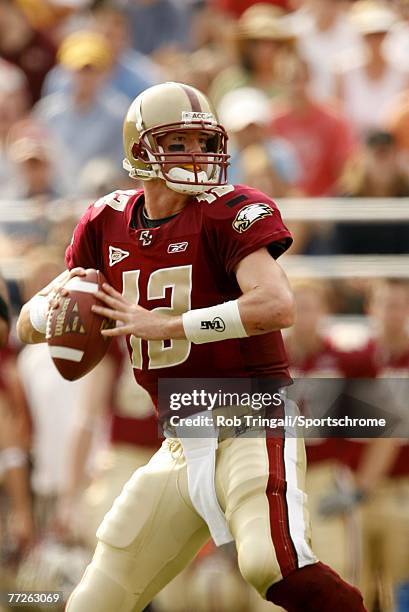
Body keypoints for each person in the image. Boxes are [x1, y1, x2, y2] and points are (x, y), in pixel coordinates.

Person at [17, 82, 366, 612]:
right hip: (179, 440)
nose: (197, 158)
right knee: (95, 600)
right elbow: (27, 322)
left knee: (271, 564)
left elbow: (277, 304)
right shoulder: (104, 221)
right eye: (177, 143)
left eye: (202, 143)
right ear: (141, 150)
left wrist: (173, 325)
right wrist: (58, 311)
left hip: (253, 418)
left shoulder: (229, 211)